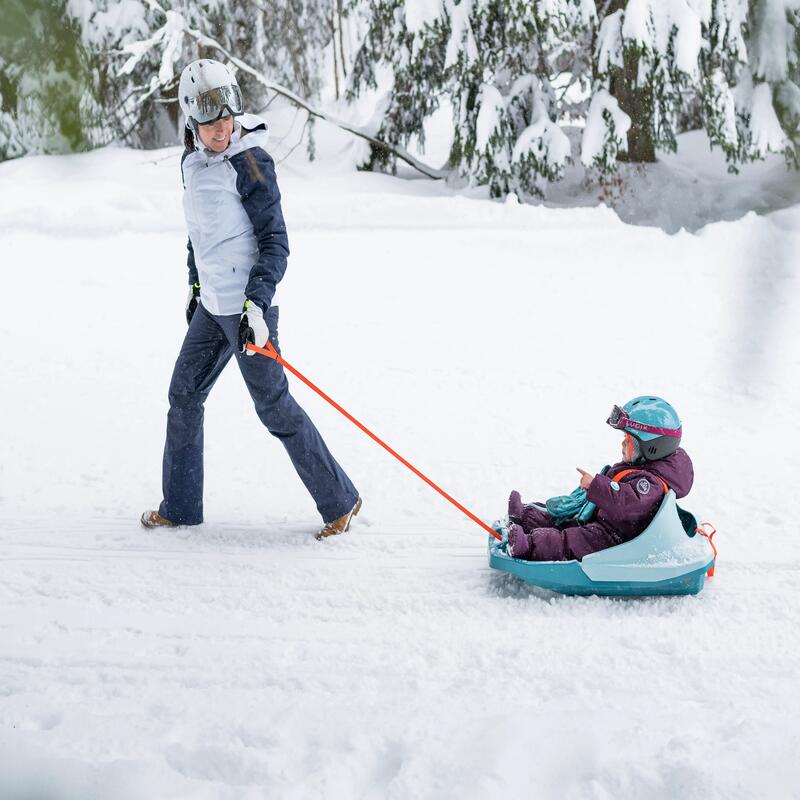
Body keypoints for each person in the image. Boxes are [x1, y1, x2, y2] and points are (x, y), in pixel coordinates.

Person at [141, 59, 361, 540]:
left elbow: (275, 241)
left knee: (274, 408)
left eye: (228, 116)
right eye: (209, 119)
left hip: (245, 312)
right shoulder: (192, 163)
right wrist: (196, 284)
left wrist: (257, 305)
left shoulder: (251, 162)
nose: (222, 127)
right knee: (183, 397)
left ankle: (341, 501)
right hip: (212, 309)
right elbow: (199, 234)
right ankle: (179, 506)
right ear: (191, 120)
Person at [506, 396, 693, 561]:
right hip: (604, 519)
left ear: (651, 447)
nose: (622, 444)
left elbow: (626, 502)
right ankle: (526, 517)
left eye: (627, 441)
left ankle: (528, 545)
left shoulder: (650, 485)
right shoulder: (646, 467)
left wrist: (596, 486)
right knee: (566, 518)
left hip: (614, 537)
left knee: (570, 541)